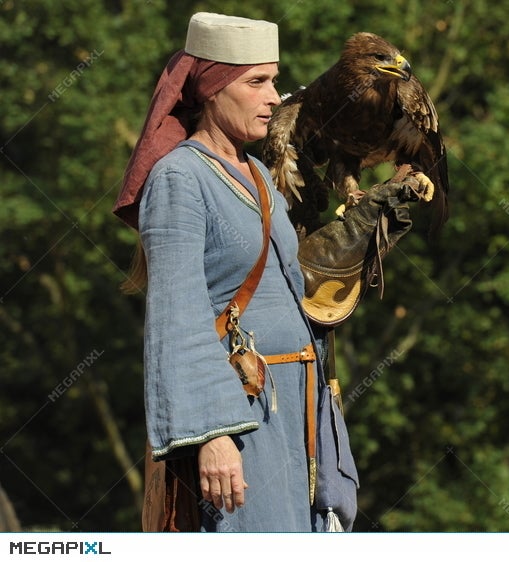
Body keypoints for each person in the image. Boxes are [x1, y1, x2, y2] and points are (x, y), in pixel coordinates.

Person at [113, 12, 347, 532]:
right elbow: (178, 315)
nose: (275, 97)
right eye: (257, 82)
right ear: (213, 90)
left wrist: (364, 235)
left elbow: (287, 284)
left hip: (298, 404)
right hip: (241, 414)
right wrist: (212, 433)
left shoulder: (260, 174)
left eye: (275, 80)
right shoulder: (180, 177)